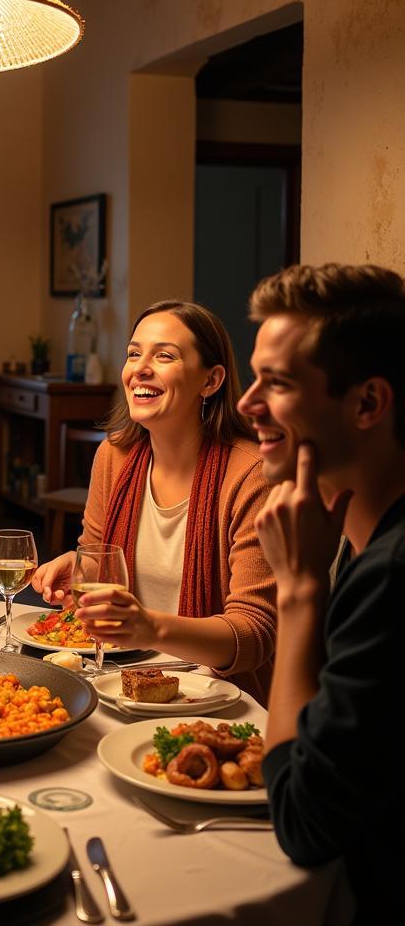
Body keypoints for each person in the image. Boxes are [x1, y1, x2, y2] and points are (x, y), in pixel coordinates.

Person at [237, 263, 404, 922]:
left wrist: (300, 590)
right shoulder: (358, 539)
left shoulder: (391, 575)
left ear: (367, 404)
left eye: (275, 384)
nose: (248, 404)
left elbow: (303, 823)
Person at [32, 300, 276, 701]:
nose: (140, 368)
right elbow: (101, 557)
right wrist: (77, 566)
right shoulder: (113, 457)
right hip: (121, 679)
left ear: (211, 380)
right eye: (133, 353)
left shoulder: (251, 475)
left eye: (164, 355)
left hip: (219, 697)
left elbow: (252, 635)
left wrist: (150, 628)